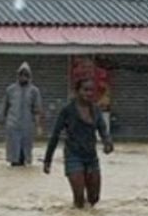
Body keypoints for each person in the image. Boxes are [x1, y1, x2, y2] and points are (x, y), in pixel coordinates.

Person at [43, 78, 114, 208]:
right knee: (79, 198)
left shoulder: (95, 110)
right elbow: (55, 135)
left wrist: (107, 143)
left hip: (91, 157)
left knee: (94, 199)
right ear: (77, 91)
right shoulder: (67, 111)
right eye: (85, 90)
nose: (88, 93)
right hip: (73, 156)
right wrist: (48, 160)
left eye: (91, 90)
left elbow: (103, 130)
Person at [0, 63, 43, 166]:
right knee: (14, 156)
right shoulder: (10, 90)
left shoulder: (34, 91)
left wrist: (38, 126)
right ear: (18, 75)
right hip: (13, 125)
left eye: (26, 75)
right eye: (21, 75)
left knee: (24, 154)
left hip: (27, 126)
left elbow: (37, 110)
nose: (23, 77)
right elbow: (4, 107)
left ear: (29, 76)